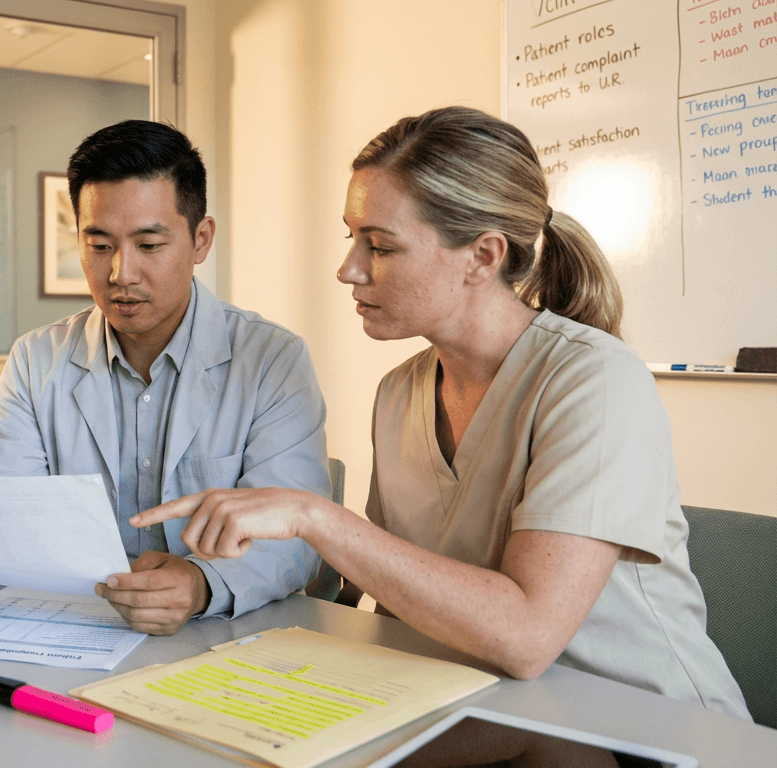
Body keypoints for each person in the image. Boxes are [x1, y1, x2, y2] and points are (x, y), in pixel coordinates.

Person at [132, 106, 750, 718]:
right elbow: (399, 598)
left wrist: (310, 516)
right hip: (488, 718)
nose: (347, 270)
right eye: (352, 238)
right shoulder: (401, 391)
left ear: (483, 256)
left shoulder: (595, 381)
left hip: (651, 731)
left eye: (379, 246)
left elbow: (528, 637)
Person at [0, 120, 330, 635]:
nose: (121, 273)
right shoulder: (37, 360)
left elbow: (296, 541)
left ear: (201, 239)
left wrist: (200, 583)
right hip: (73, 630)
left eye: (148, 245)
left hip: (222, 638)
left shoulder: (272, 361)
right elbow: (0, 518)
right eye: (99, 245)